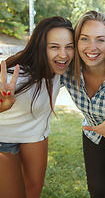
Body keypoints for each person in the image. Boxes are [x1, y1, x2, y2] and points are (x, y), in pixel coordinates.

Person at [60, 10, 105, 198]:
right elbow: (39, 73)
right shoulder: (68, 71)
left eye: (100, 40)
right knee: (97, 189)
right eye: (84, 39)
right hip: (92, 133)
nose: (91, 47)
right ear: (76, 42)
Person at [0, 16, 75, 198]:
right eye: (54, 47)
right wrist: (3, 105)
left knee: (33, 191)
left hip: (35, 135)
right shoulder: (17, 76)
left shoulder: (59, 69)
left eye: (69, 47)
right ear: (41, 48)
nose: (64, 55)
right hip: (3, 137)